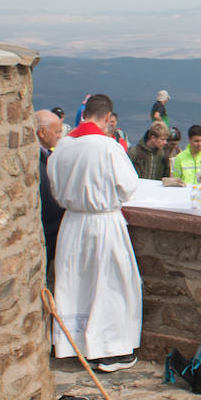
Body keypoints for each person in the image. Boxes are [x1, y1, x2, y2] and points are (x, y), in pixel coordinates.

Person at [46, 94, 142, 372]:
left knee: (77, 285)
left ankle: (74, 343)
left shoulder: (63, 146)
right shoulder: (108, 147)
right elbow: (127, 187)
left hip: (73, 223)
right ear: (108, 118)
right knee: (111, 285)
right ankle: (110, 350)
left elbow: (54, 188)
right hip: (103, 224)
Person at [35, 110, 66, 274]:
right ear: (42, 132)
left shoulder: (48, 154)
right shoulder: (35, 160)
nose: (59, 136)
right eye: (57, 132)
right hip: (48, 229)